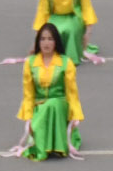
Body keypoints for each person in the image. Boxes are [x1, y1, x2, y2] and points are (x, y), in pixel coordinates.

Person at [13, 19, 83, 158]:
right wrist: (28, 115)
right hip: (39, 107)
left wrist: (75, 115)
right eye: (43, 39)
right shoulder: (30, 63)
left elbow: (72, 92)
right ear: (38, 42)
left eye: (50, 39)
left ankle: (58, 144)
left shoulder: (66, 62)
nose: (46, 43)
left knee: (53, 104)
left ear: (56, 41)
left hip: (60, 104)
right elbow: (28, 93)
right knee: (45, 109)